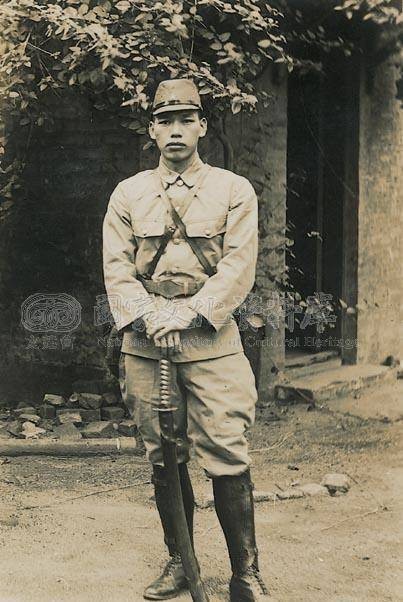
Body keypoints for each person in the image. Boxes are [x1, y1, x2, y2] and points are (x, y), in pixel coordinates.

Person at [102, 78, 268, 601]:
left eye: (185, 120)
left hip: (212, 341)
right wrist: (151, 316)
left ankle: (246, 574)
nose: (175, 130)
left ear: (202, 127)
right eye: (164, 121)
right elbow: (117, 270)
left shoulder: (232, 190)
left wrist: (189, 314)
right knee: (163, 454)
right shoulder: (129, 193)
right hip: (147, 341)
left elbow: (238, 268)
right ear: (152, 130)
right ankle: (181, 562)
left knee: (227, 449)